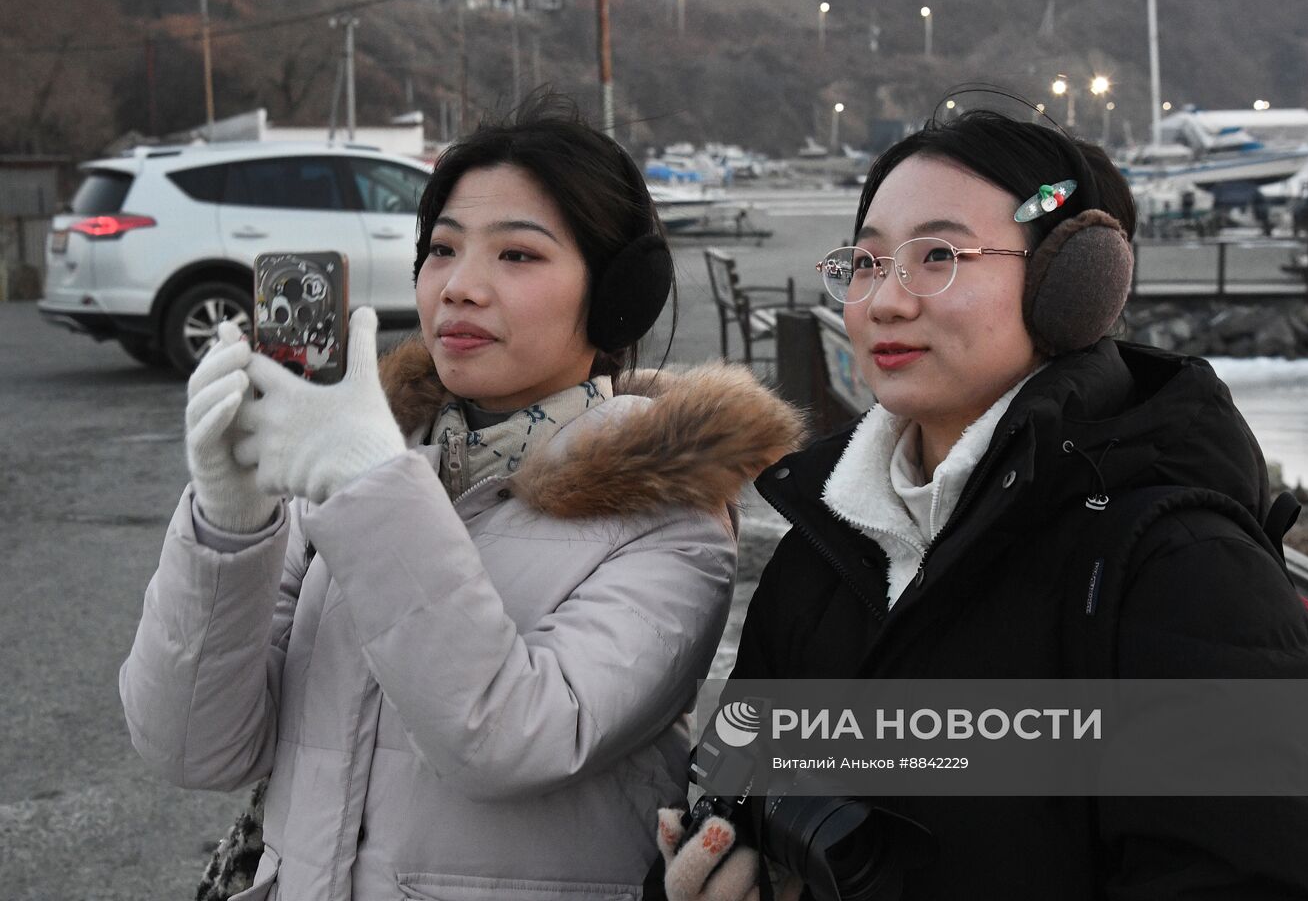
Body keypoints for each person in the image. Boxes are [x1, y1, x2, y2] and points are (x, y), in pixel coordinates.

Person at [656, 109, 1308, 899]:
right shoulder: (823, 547)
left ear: (1072, 288)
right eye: (865, 262)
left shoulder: (1180, 571)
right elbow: (730, 785)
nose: (883, 301)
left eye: (937, 256)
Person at [120, 92, 804, 901]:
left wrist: (370, 483)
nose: (459, 287)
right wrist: (231, 522)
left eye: (517, 255)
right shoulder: (352, 475)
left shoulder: (668, 514)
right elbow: (194, 749)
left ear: (618, 293)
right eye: (441, 250)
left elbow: (507, 740)